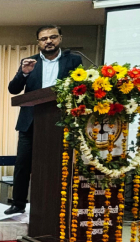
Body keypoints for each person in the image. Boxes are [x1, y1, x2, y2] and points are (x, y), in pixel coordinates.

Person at [5, 25, 82, 215]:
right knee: (23, 163)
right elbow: (14, 89)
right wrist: (23, 73)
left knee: (58, 164)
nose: (48, 41)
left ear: (60, 38)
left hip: (61, 121)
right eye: (44, 38)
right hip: (30, 122)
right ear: (38, 42)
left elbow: (81, 87)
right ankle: (18, 203)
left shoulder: (73, 60)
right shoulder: (29, 62)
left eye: (53, 37)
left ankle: (57, 203)